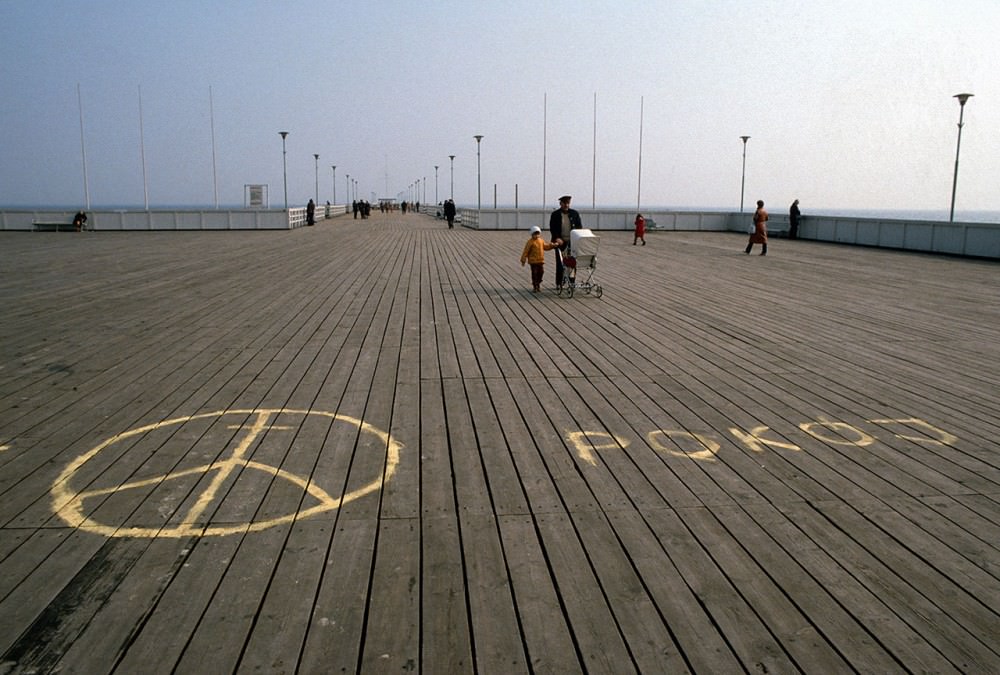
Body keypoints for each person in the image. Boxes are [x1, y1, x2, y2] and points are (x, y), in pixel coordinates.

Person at [548, 195, 583, 288]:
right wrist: (556, 238)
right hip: (559, 242)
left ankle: (572, 282)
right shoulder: (555, 214)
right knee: (560, 263)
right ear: (560, 204)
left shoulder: (575, 214)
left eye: (568, 203)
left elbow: (579, 227)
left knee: (572, 263)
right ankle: (559, 283)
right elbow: (553, 228)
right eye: (564, 203)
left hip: (572, 242)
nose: (566, 205)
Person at [520, 225, 558, 293]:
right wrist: (523, 260)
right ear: (532, 234)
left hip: (540, 260)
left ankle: (538, 282)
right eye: (535, 234)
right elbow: (526, 251)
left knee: (541, 272)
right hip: (533, 261)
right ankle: (535, 286)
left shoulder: (541, 240)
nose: (537, 235)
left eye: (538, 234)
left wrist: (551, 246)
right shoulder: (530, 242)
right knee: (534, 273)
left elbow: (545, 247)